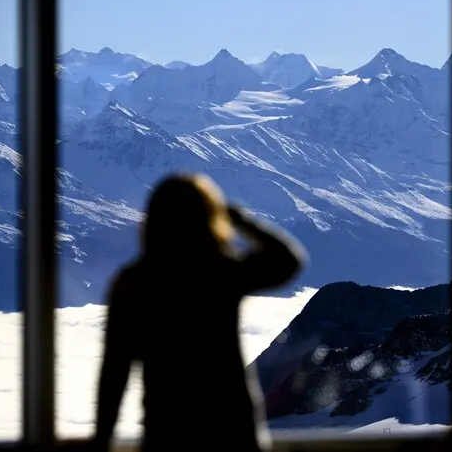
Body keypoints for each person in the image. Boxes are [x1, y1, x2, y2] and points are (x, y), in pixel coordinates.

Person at [91, 173, 307, 452]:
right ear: (207, 219)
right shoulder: (221, 272)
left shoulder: (134, 282)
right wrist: (240, 221)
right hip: (231, 429)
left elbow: (115, 371)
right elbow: (288, 261)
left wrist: (101, 441)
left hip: (167, 429)